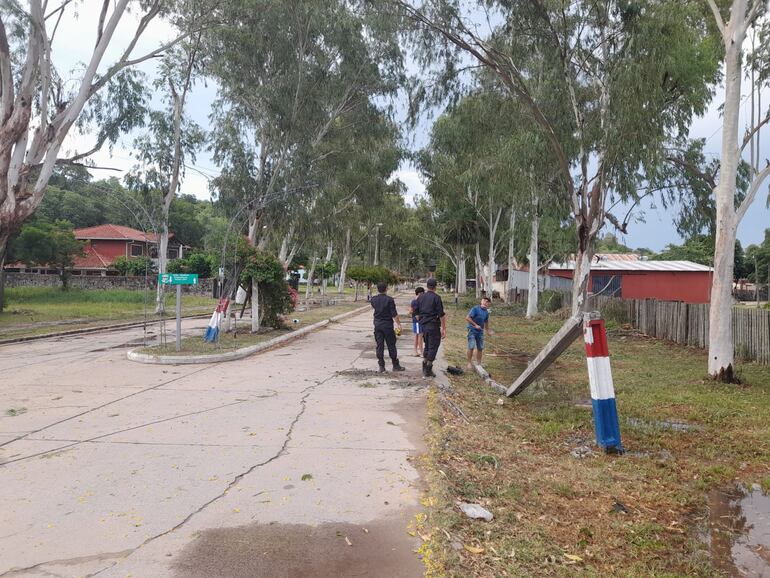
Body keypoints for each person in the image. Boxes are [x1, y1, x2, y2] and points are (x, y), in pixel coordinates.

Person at [370, 282, 405, 373]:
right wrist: (399, 324)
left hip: (377, 325)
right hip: (387, 325)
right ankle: (395, 365)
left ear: (377, 289)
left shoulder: (373, 299)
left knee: (379, 345)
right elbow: (394, 313)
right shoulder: (389, 300)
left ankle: (381, 366)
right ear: (386, 289)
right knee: (391, 345)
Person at [414, 277, 445, 377]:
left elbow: (416, 313)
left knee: (427, 345)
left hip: (424, 325)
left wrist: (422, 321)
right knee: (434, 345)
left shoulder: (420, 297)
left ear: (427, 286)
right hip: (433, 325)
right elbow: (441, 315)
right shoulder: (436, 298)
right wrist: (444, 328)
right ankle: (428, 368)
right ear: (435, 287)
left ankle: (424, 363)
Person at [466, 296, 493, 369]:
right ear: (481, 301)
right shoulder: (475, 309)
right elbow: (467, 318)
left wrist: (488, 330)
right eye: (484, 300)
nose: (485, 302)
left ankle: (479, 363)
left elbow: (486, 322)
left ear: (488, 304)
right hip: (472, 330)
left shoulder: (486, 312)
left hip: (480, 332)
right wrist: (475, 325)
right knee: (471, 346)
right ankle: (469, 363)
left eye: (487, 302)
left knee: (480, 348)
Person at [409, 287, 425, 357]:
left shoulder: (415, 301)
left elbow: (411, 311)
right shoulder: (416, 301)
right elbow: (416, 315)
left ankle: (415, 351)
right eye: (423, 293)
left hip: (416, 321)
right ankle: (421, 352)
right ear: (420, 293)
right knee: (420, 336)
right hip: (418, 321)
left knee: (416, 336)